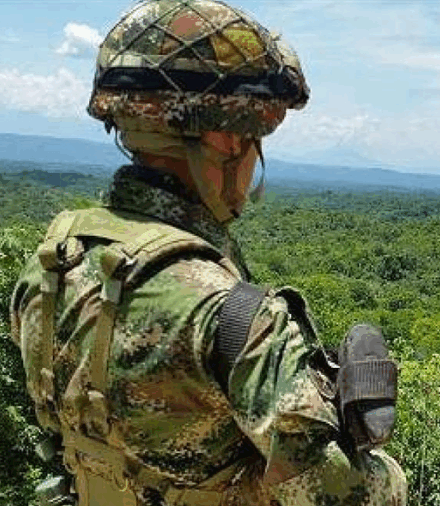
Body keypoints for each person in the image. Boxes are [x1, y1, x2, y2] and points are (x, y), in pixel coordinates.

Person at [9, 1, 407, 505]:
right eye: (254, 142)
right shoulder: (235, 317)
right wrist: (382, 471)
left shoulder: (52, 265)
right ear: (223, 139)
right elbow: (340, 496)